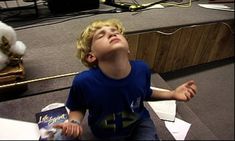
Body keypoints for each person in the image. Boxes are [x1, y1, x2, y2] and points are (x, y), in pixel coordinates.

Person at [53, 18, 197, 140]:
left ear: (128, 48)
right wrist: (74, 122)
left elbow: (145, 93)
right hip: (104, 131)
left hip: (139, 123)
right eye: (101, 35)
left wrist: (172, 94)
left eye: (115, 32)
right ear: (91, 56)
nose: (111, 34)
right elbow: (78, 107)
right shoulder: (84, 82)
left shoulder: (142, 69)